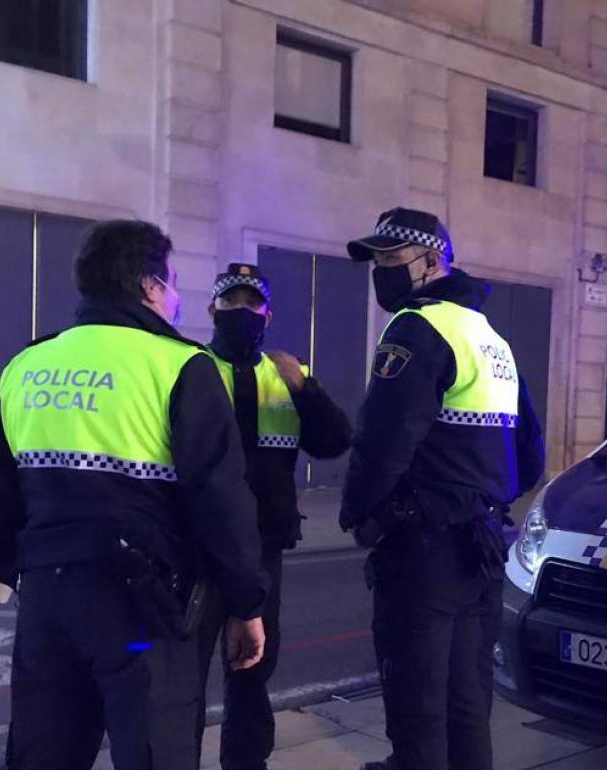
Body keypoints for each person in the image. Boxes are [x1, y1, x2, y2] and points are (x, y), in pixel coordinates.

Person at [0, 220, 268, 770]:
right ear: (151, 286)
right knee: (156, 751)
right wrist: (246, 602)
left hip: (47, 602)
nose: (176, 297)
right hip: (145, 607)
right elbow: (221, 499)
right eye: (173, 282)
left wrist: (19, 568)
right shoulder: (179, 365)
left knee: (43, 753)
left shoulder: (27, 365)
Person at [341, 208, 545, 770]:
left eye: (389, 259)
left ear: (432, 261)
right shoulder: (490, 337)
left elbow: (382, 438)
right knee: (466, 707)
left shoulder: (416, 328)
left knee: (417, 710)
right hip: (481, 548)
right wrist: (480, 494)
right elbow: (530, 454)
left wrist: (359, 513)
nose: (380, 270)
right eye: (376, 260)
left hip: (423, 549)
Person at [195, 263, 352, 770]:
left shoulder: (285, 375)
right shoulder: (190, 369)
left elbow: (334, 441)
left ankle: (246, 763)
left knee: (252, 670)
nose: (241, 312)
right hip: (196, 547)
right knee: (185, 673)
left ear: (268, 314)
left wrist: (306, 388)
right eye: (230, 302)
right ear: (211, 309)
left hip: (263, 547)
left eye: (252, 304)